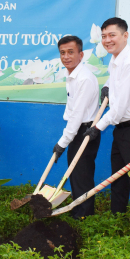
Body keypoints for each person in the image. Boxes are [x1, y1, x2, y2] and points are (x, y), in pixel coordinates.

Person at [82, 17, 130, 230]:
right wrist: (107, 86)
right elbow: (116, 84)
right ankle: (117, 224)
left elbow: (119, 108)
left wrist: (97, 127)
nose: (107, 40)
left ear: (125, 36)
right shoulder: (117, 60)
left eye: (112, 35)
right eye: (104, 36)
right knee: (118, 179)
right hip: (122, 130)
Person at [52, 36, 101, 219]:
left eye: (70, 52)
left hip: (85, 132)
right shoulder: (72, 76)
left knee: (82, 175)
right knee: (76, 174)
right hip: (78, 131)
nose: (66, 56)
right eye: (62, 53)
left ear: (81, 55)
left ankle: (84, 216)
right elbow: (72, 112)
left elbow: (77, 116)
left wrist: (62, 143)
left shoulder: (84, 79)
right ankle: (79, 209)